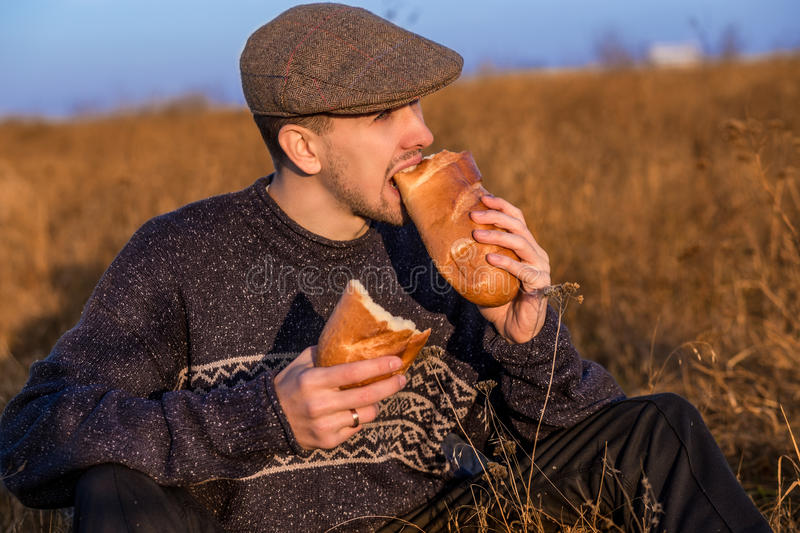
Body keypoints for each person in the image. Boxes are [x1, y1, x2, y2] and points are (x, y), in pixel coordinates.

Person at [0, 3, 770, 532]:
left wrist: (526, 330)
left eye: (419, 108)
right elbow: (32, 436)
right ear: (304, 146)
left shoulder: (436, 239)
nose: (422, 133)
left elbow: (567, 426)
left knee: (660, 424)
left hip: (448, 512)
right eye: (384, 116)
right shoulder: (180, 254)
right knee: (113, 490)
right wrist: (268, 415)